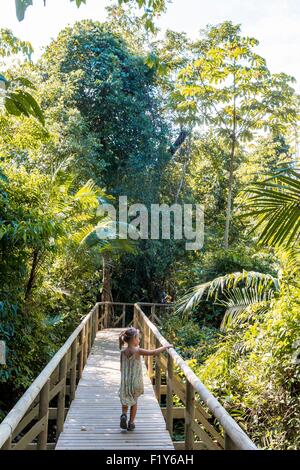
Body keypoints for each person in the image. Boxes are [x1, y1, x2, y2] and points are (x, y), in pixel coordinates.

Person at [118, 327, 172, 431]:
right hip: (135, 382)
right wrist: (165, 347)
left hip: (125, 382)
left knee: (125, 401)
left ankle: (124, 415)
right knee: (134, 402)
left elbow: (121, 368)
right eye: (138, 338)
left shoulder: (123, 352)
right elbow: (153, 352)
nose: (140, 340)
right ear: (133, 339)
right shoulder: (138, 351)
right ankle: (131, 422)